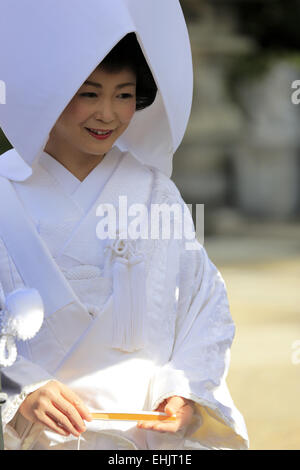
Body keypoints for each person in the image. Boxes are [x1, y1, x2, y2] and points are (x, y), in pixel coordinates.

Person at [0, 1, 248, 450]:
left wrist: (184, 388)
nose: (108, 114)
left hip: (139, 433)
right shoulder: (4, 190)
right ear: (50, 92)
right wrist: (18, 386)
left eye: (124, 94)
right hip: (32, 433)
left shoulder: (154, 192)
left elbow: (202, 303)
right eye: (89, 94)